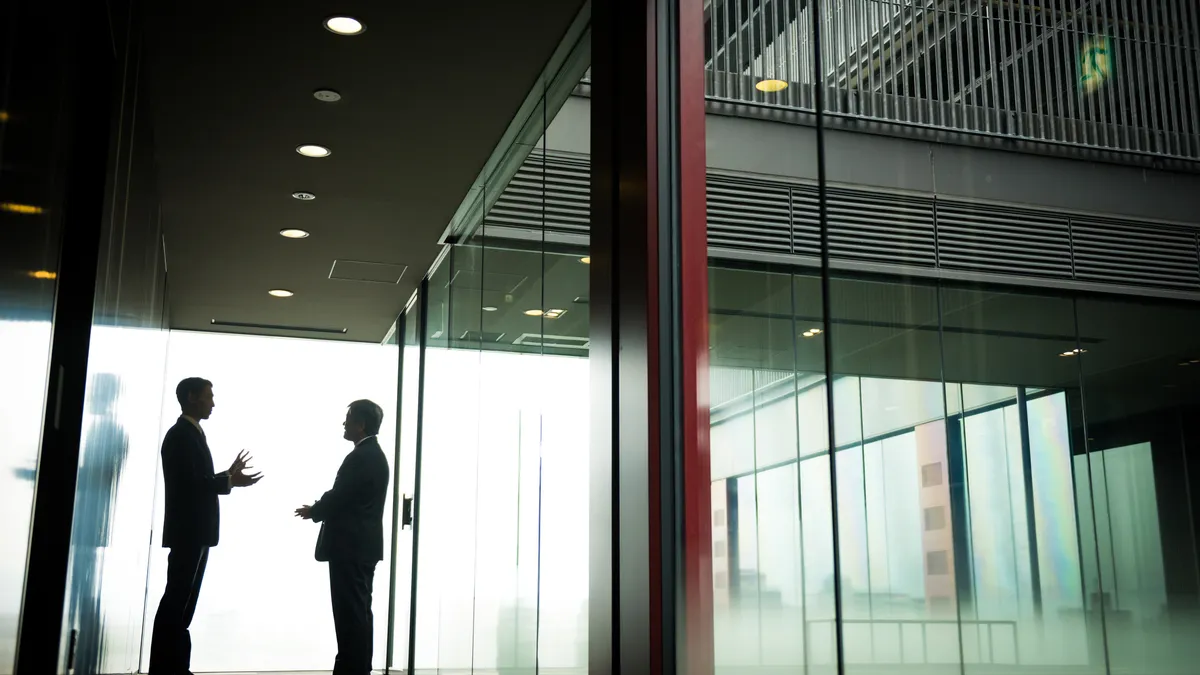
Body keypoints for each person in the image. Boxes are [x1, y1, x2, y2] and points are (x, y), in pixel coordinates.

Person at [148, 377, 261, 675]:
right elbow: (190, 485)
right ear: (191, 397)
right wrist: (228, 481)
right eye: (209, 396)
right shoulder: (181, 435)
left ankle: (172, 667)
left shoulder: (191, 433)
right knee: (178, 601)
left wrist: (227, 475)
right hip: (189, 531)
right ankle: (167, 668)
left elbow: (197, 480)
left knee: (182, 602)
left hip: (195, 532)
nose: (213, 402)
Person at [295, 400, 389, 675]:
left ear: (360, 424)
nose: (344, 424)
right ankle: (357, 666)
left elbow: (341, 496)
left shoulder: (360, 457)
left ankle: (351, 669)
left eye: (348, 419)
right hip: (362, 548)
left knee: (350, 614)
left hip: (350, 548)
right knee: (359, 611)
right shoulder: (373, 454)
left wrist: (315, 510)